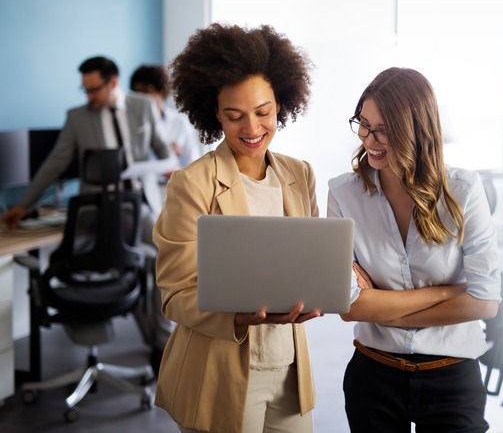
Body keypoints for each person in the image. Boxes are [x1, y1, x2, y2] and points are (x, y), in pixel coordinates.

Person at [153, 23, 322, 433]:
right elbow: (175, 293)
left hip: (290, 369)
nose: (251, 129)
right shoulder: (192, 184)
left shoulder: (300, 175)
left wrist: (319, 292)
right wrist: (238, 316)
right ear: (214, 114)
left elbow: (310, 261)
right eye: (234, 116)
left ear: (280, 104)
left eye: (263, 112)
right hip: (220, 369)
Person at [327, 67, 502, 432]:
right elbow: (349, 305)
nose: (369, 139)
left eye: (384, 129)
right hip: (373, 378)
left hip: (451, 378)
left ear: (416, 131)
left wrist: (382, 309)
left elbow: (484, 302)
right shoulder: (344, 195)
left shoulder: (465, 190)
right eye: (363, 123)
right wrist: (446, 293)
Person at [0, 55, 177, 369]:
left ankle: (162, 341)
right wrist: (23, 204)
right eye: (85, 90)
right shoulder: (77, 117)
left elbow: (164, 153)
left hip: (138, 202)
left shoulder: (142, 107)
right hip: (98, 209)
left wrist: (164, 167)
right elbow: (56, 162)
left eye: (94, 89)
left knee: (165, 258)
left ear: (112, 83)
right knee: (135, 260)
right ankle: (160, 344)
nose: (89, 97)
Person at [130, 65, 201, 170]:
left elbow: (194, 164)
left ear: (161, 91)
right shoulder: (130, 122)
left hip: (175, 183)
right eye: (138, 94)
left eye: (146, 92)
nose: (143, 99)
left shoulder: (179, 122)